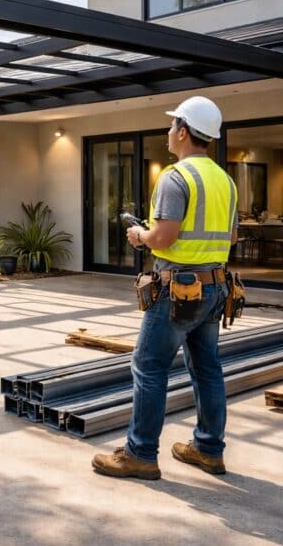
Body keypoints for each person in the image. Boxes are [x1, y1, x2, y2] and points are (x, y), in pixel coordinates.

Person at [92, 96, 238, 480]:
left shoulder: (176, 178)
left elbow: (165, 235)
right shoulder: (225, 180)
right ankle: (208, 449)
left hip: (178, 292)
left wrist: (141, 235)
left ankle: (139, 453)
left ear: (185, 132)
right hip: (215, 287)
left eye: (173, 125)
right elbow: (231, 234)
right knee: (207, 369)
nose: (168, 132)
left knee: (149, 367)